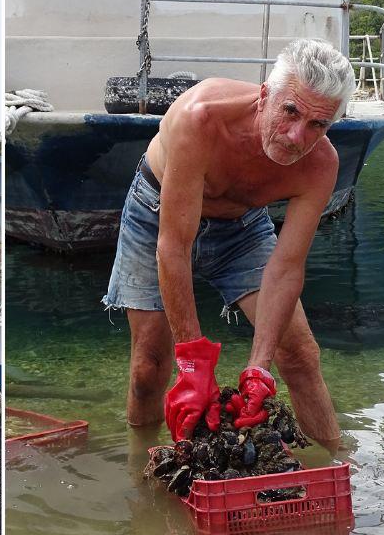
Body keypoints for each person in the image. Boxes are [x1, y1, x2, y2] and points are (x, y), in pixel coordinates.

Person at [102, 38, 353, 452]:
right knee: (150, 367)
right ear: (265, 95)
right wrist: (193, 363)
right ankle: (141, 472)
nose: (295, 136)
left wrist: (259, 368)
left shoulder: (321, 164)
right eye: (290, 111)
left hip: (242, 226)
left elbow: (286, 268)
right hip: (157, 213)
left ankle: (339, 466)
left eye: (317, 125)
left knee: (300, 355)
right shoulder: (199, 118)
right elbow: (173, 247)